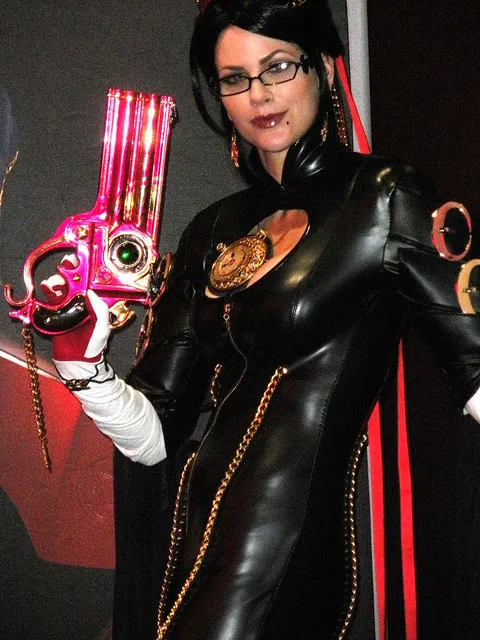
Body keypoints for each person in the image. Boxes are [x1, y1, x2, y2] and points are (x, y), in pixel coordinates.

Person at [41, 0, 480, 638]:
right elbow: (155, 436)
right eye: (235, 78)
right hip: (190, 545)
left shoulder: (385, 196)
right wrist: (81, 363)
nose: (259, 94)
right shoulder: (211, 229)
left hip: (288, 545)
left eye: (277, 67)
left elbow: (475, 374)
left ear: (322, 67)